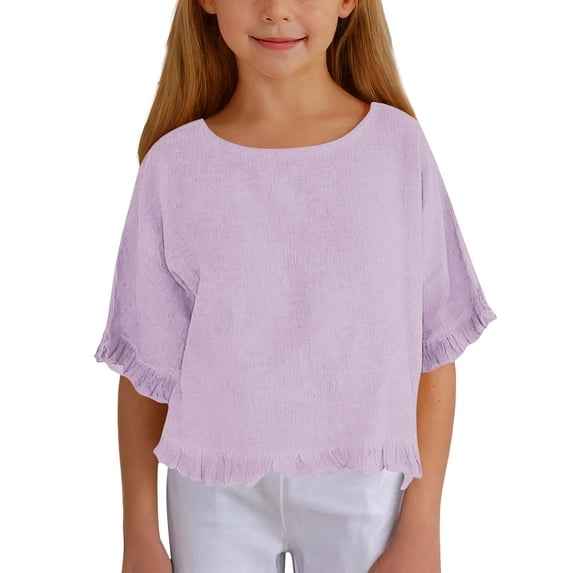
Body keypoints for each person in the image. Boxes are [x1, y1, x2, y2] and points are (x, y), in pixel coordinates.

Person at [93, 0, 498, 572]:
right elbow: (146, 368)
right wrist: (139, 533)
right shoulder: (174, 166)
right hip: (213, 488)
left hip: (365, 485)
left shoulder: (396, 149)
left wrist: (423, 523)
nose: (277, 11)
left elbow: (434, 346)